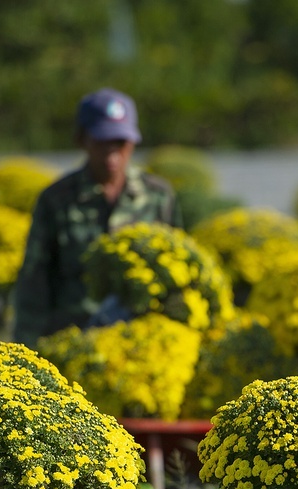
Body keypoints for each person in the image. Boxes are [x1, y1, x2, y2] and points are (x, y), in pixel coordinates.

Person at [12, 88, 182, 347]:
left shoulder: (158, 196)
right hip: (73, 340)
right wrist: (26, 347)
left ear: (133, 143)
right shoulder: (56, 200)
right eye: (103, 141)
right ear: (82, 139)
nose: (112, 153)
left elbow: (177, 271)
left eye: (120, 143)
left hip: (141, 342)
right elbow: (34, 280)